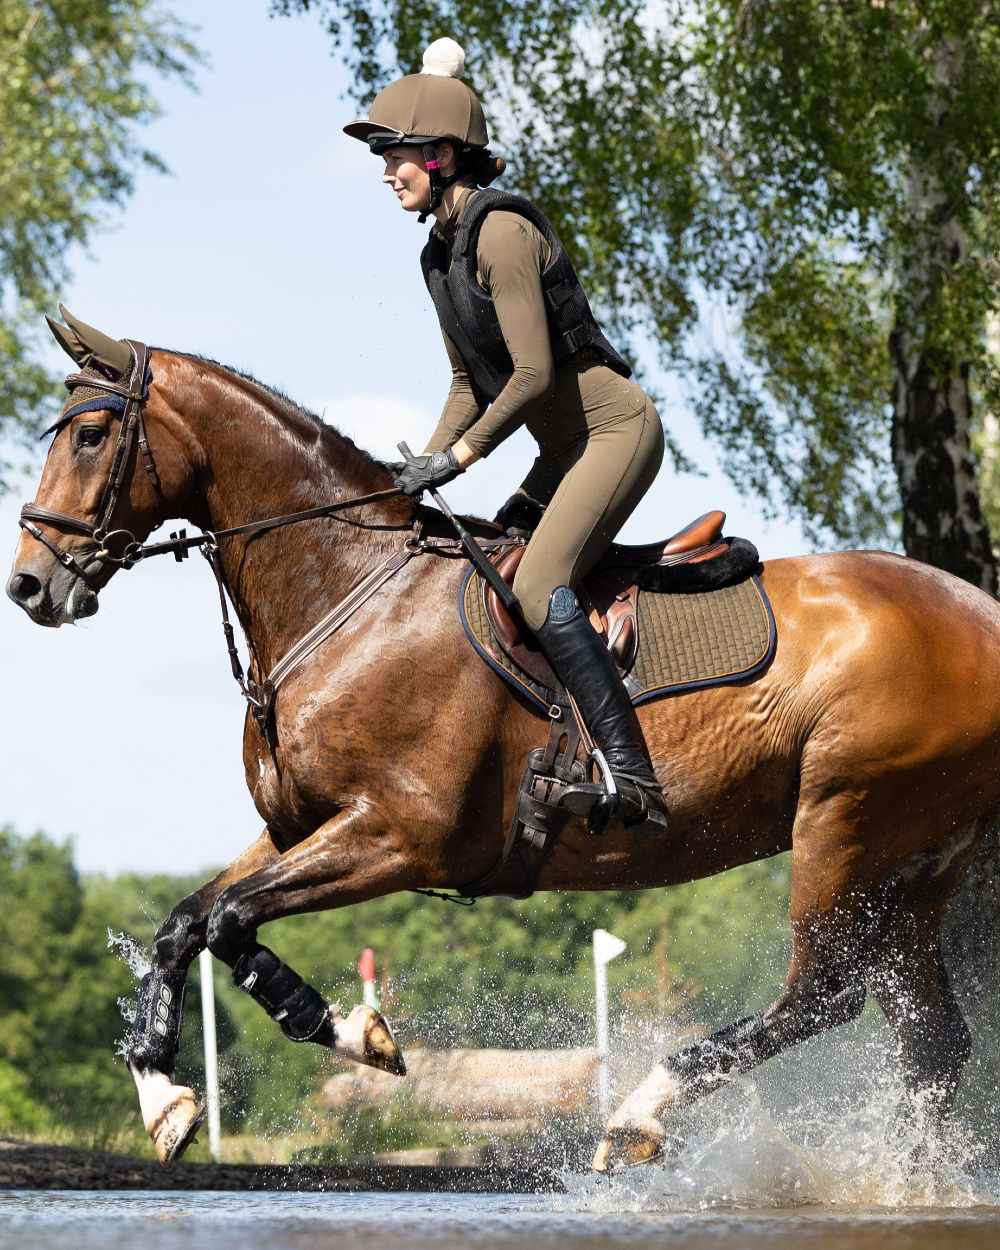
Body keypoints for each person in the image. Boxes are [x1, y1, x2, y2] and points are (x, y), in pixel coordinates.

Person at [344, 38, 667, 834]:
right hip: (564, 450)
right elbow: (466, 383)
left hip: (615, 433)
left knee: (534, 582)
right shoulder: (437, 256)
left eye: (398, 155)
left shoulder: (502, 235)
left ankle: (632, 777)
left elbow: (528, 376)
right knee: (484, 570)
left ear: (445, 153)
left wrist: (457, 459)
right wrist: (420, 464)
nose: (388, 171)